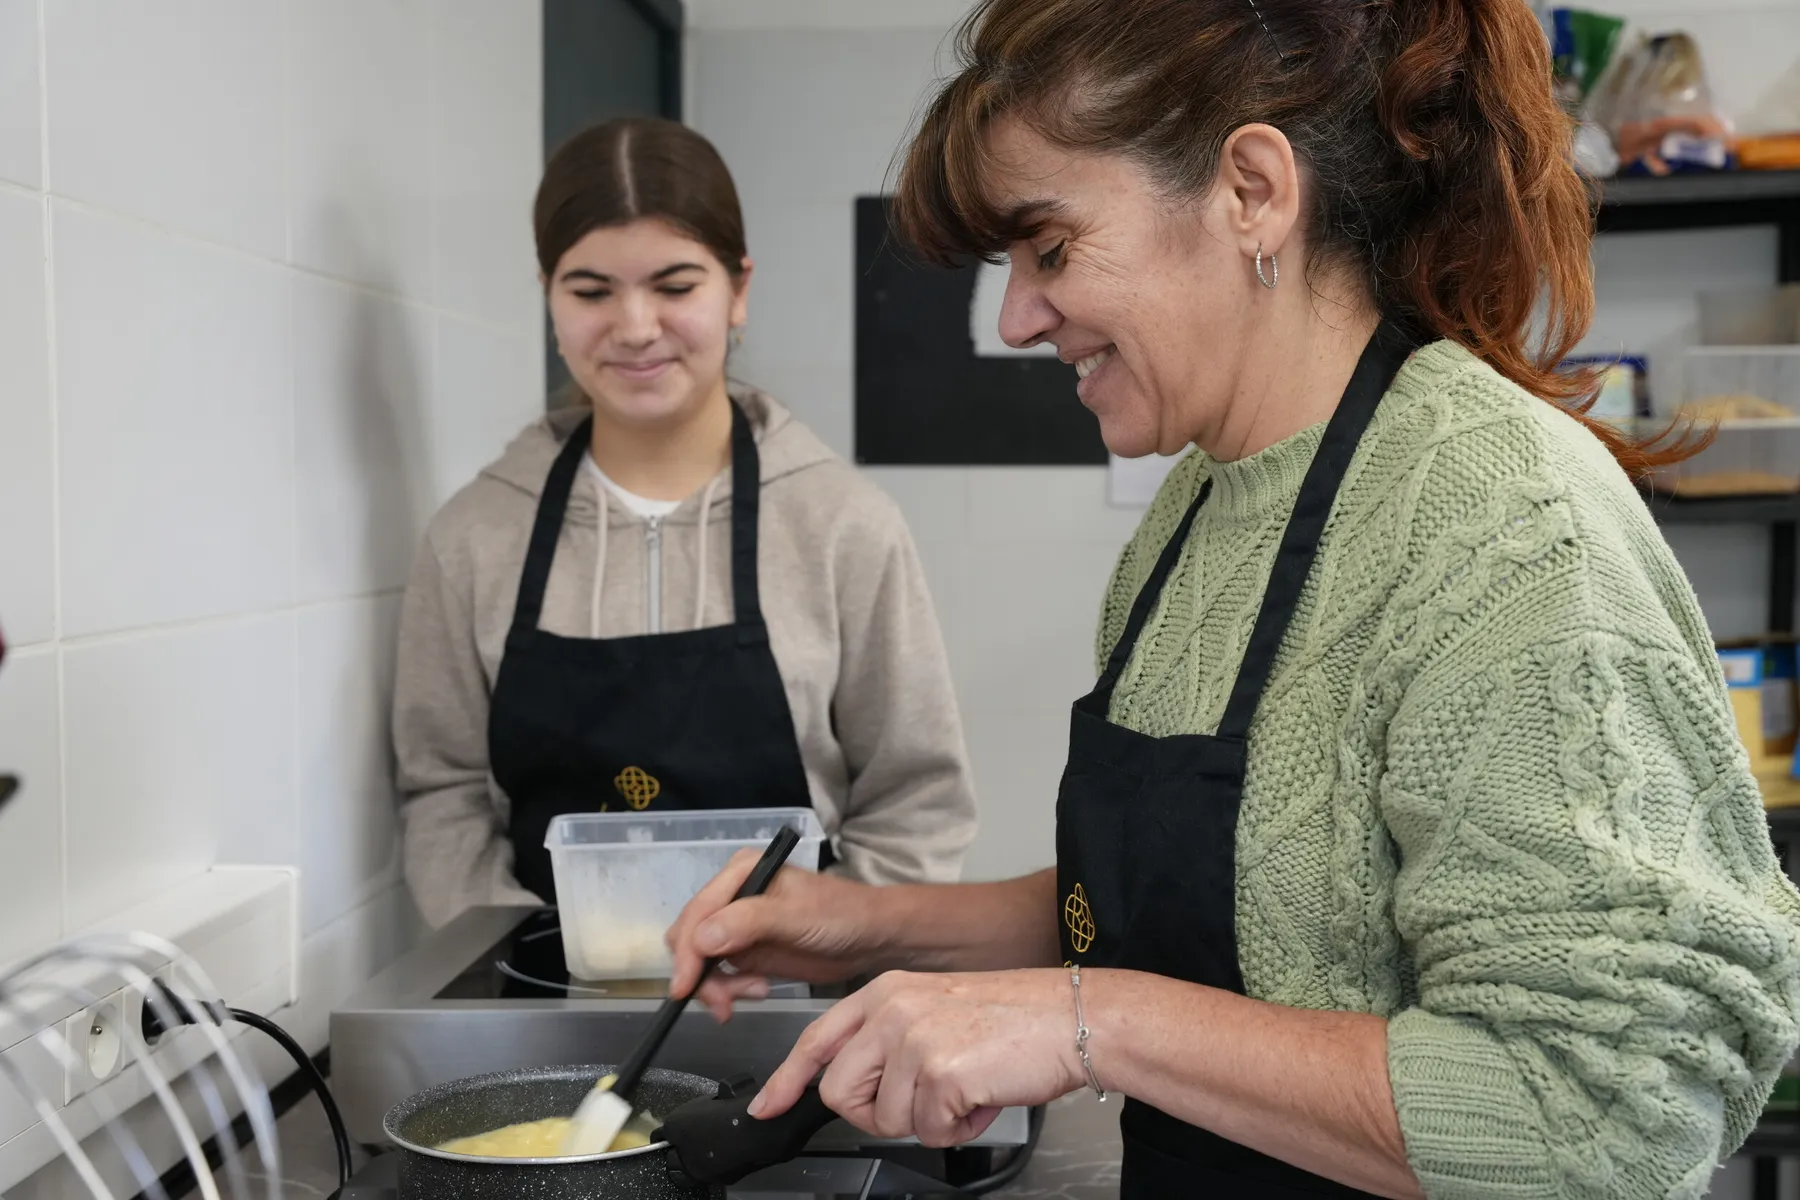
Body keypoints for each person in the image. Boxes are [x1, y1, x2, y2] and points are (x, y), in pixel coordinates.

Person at [665, 1, 1800, 1196]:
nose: (1016, 318)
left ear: (1252, 193)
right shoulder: (1199, 508)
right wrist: (863, 925)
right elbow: (1232, 907)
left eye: (1050, 247)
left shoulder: (1505, 522)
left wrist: (1084, 1022)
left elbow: (1607, 1117)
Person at [393, 117, 977, 930]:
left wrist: (823, 950)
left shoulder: (845, 527)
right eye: (591, 291)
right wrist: (529, 963)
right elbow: (443, 794)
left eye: (674, 287)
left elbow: (917, 803)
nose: (635, 327)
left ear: (738, 290)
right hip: (539, 988)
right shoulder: (473, 538)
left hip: (799, 994)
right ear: (549, 297)